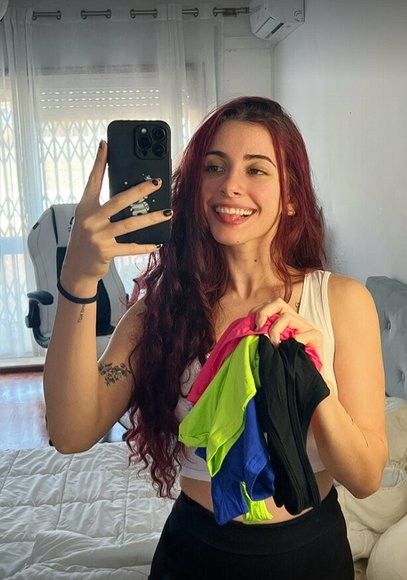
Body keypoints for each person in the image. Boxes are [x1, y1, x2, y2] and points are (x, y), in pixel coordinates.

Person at [44, 96, 388, 579]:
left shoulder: (342, 302)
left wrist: (312, 381)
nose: (230, 185)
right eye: (214, 166)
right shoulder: (161, 312)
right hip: (195, 553)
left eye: (256, 169)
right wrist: (78, 279)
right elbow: (70, 433)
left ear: (291, 196)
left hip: (310, 553)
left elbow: (366, 477)